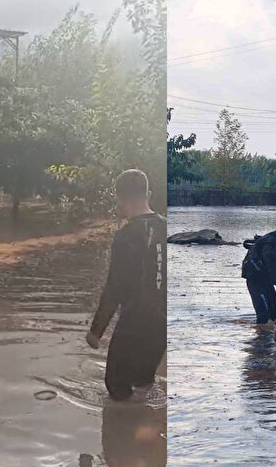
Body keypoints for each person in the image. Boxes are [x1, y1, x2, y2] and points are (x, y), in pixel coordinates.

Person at [85, 169, 167, 401]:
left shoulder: (126, 236)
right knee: (143, 383)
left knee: (116, 387)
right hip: (161, 323)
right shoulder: (166, 227)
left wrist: (96, 331)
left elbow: (114, 288)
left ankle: (125, 429)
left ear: (122, 198)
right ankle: (144, 422)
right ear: (147, 193)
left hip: (135, 322)